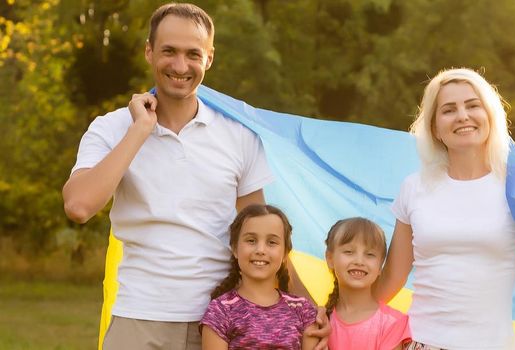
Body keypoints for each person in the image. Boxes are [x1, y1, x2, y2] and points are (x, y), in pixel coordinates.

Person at [61, 3, 326, 349]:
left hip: (223, 322)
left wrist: (307, 307)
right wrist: (140, 131)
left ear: (209, 58)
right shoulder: (112, 128)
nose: (180, 66)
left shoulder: (239, 136)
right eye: (169, 51)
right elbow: (79, 206)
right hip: (141, 318)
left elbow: (263, 234)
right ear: (149, 51)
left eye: (193, 54)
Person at [374, 68, 515, 350]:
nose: (463, 116)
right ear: (434, 128)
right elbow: (393, 277)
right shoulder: (413, 188)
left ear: (490, 116)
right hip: (423, 343)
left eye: (472, 105)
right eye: (448, 110)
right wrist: (344, 314)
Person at [201, 204, 319, 350]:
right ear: (235, 248)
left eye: (272, 242)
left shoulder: (303, 309)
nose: (260, 250)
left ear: (285, 253)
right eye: (251, 240)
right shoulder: (220, 311)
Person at [324, 218, 411, 350]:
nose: (359, 261)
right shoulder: (320, 320)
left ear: (380, 266)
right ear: (330, 258)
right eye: (349, 252)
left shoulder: (393, 323)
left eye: (370, 254)